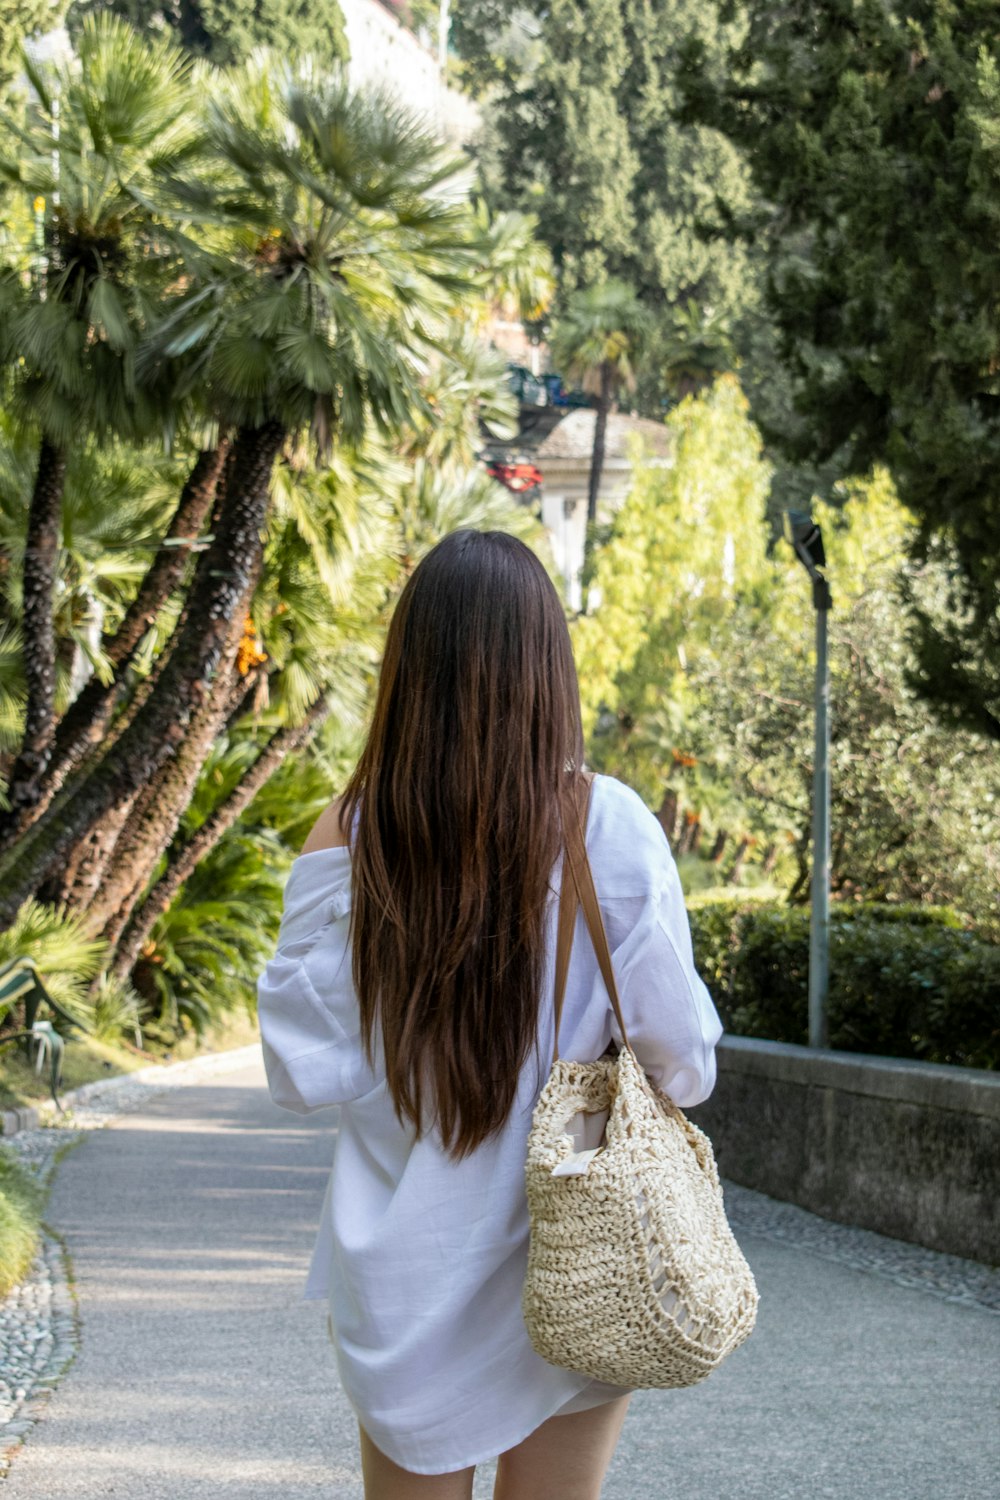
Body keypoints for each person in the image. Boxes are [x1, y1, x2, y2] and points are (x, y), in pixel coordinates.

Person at [256, 529, 723, 1500]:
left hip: (403, 1276)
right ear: (545, 668)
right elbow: (682, 1065)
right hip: (571, 1259)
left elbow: (302, 1071)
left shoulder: (353, 833)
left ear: (408, 668)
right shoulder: (612, 830)